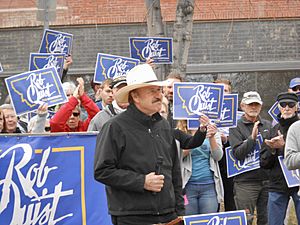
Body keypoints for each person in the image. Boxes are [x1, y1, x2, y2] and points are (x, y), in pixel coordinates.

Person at [94, 64, 184, 225]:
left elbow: (175, 172)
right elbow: (102, 171)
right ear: (135, 96)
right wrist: (141, 181)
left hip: (169, 215)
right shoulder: (115, 127)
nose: (159, 95)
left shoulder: (163, 125)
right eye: (152, 91)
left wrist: (179, 211)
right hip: (132, 216)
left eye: (159, 90)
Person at [229, 91, 272, 225]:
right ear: (242, 106)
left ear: (261, 106)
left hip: (267, 181)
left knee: (266, 220)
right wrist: (252, 139)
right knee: (245, 221)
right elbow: (237, 154)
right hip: (245, 183)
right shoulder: (235, 126)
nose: (253, 107)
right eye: (250, 104)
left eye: (256, 104)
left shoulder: (268, 125)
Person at [260, 92, 300, 224]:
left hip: (298, 182)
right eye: (283, 105)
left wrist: (283, 147)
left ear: (296, 107)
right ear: (278, 107)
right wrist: (272, 149)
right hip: (277, 184)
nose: (287, 108)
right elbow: (263, 163)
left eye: (291, 105)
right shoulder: (272, 130)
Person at [184, 119, 223, 215]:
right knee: (189, 221)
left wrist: (212, 137)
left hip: (208, 186)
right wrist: (197, 138)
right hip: (187, 187)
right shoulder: (181, 131)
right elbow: (178, 155)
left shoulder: (212, 130)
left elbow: (218, 156)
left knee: (208, 220)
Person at [213, 79, 236, 212]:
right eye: (219, 91)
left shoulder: (238, 113)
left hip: (231, 158)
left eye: (225, 91)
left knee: (230, 197)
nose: (222, 94)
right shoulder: (205, 112)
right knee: (213, 197)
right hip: (212, 158)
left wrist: (227, 139)